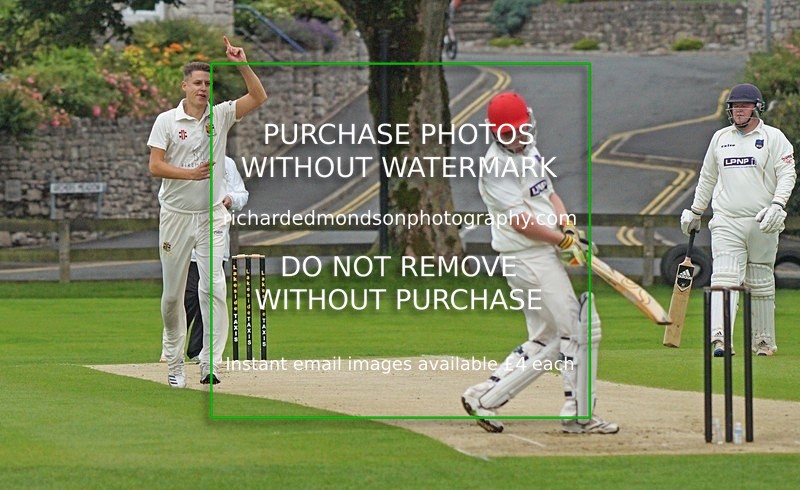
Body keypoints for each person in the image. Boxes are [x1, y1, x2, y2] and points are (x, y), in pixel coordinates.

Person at [460, 91, 618, 434]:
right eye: (508, 134)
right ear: (495, 133)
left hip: (540, 255)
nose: (517, 138)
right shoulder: (495, 168)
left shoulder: (529, 152)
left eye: (521, 130)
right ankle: (577, 414)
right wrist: (561, 241)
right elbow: (521, 222)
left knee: (546, 337)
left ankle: (484, 397)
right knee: (579, 329)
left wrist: (568, 227)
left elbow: (549, 195)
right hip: (527, 258)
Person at [148, 37, 267, 388]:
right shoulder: (167, 121)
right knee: (172, 296)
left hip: (212, 216)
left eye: (207, 83)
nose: (203, 88)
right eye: (197, 83)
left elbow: (259, 97)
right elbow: (156, 166)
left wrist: (241, 63)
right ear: (185, 86)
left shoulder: (221, 114)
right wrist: (190, 174)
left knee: (213, 287)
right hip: (176, 216)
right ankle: (173, 362)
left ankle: (208, 362)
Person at [681, 83, 795, 357]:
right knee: (725, 276)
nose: (738, 110)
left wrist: (778, 205)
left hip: (762, 220)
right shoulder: (720, 138)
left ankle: (763, 342)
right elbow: (707, 177)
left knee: (760, 279)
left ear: (757, 108)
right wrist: (696, 212)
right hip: (727, 220)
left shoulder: (774, 137)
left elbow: (787, 174)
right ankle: (720, 339)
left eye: (744, 105)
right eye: (734, 106)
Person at [160, 156, 249, 362]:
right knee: (186, 295)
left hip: (216, 240)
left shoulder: (227, 163)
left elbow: (241, 193)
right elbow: (165, 195)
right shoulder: (182, 158)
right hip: (186, 242)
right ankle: (171, 345)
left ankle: (199, 351)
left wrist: (231, 199)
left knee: (210, 294)